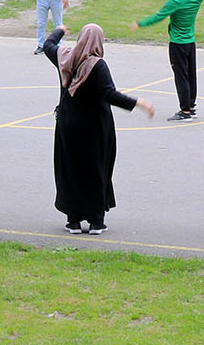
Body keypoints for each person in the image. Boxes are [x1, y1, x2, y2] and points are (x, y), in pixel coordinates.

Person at [42, 23, 156, 234]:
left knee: (71, 169)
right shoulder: (97, 65)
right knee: (95, 169)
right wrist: (139, 103)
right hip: (94, 127)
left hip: (68, 124)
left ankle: (73, 219)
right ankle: (95, 220)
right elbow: (109, 94)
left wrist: (60, 30)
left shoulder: (64, 56)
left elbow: (48, 44)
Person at [135, 0, 204, 120]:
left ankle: (185, 111)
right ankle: (191, 106)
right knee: (191, 74)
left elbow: (158, 17)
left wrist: (140, 24)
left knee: (181, 77)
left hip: (178, 44)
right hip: (190, 42)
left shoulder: (175, 1)